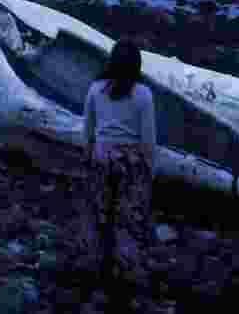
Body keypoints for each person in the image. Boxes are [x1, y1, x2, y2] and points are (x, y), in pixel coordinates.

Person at [81, 40, 156, 295]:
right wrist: (149, 169)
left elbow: (87, 129)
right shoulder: (143, 94)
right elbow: (148, 138)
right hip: (131, 162)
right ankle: (126, 272)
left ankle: (96, 267)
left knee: (99, 214)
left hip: (101, 157)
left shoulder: (95, 89)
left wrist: (87, 156)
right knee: (128, 218)